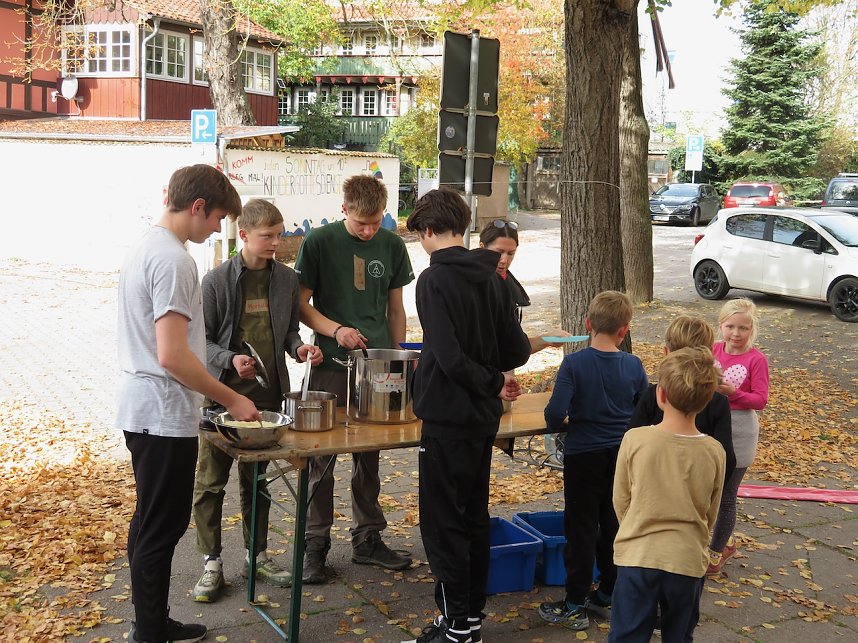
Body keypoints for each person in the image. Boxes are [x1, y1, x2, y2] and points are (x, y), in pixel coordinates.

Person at [116, 164, 259, 643]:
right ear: (197, 207)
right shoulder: (175, 260)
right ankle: (149, 631)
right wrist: (232, 398)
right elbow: (172, 354)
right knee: (161, 527)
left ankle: (150, 623)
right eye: (217, 218)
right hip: (161, 412)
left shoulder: (147, 247)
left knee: (149, 522)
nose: (218, 228)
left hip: (146, 411)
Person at [404, 189, 532, 643]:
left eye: (421, 234)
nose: (421, 242)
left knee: (444, 525)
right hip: (482, 419)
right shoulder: (494, 276)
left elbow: (449, 356)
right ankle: (468, 616)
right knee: (474, 516)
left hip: (449, 417)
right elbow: (517, 348)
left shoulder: (434, 280)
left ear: (431, 231)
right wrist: (495, 378)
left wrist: (492, 382)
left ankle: (458, 624)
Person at [191, 199, 323, 602]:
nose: (276, 243)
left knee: (259, 483)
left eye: (279, 234)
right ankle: (211, 562)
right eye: (268, 236)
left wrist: (300, 349)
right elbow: (201, 341)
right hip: (220, 402)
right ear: (244, 235)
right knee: (210, 484)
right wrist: (230, 359)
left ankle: (256, 554)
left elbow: (287, 332)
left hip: (267, 402)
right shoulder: (214, 282)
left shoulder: (286, 279)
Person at [295, 174, 415, 584]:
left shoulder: (392, 244)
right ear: (344, 210)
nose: (368, 230)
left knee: (371, 456)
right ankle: (315, 547)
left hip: (377, 367)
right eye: (361, 223)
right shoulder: (319, 242)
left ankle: (367, 540)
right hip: (330, 362)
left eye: (375, 222)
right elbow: (301, 304)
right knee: (320, 458)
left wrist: (399, 354)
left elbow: (396, 307)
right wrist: (335, 331)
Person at [539, 290, 649, 632]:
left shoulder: (574, 364)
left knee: (581, 526)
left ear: (588, 324)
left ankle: (574, 601)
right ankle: (608, 592)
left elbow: (555, 413)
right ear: (624, 330)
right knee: (614, 522)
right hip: (621, 456)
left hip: (583, 454)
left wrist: (566, 424)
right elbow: (644, 410)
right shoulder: (633, 365)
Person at [609, 347, 726, 643]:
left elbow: (620, 498)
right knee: (678, 635)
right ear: (708, 399)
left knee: (627, 635)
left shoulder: (635, 439)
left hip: (638, 555)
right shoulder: (714, 451)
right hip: (686, 558)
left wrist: (635, 525)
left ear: (660, 395)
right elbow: (711, 510)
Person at [628, 314, 736, 485]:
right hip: (695, 494)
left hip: (649, 489)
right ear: (710, 354)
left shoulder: (654, 394)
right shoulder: (717, 401)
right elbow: (726, 460)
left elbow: (630, 444)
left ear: (666, 352)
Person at [707, 298, 769, 576]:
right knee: (707, 491)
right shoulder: (712, 350)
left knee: (727, 496)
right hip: (710, 426)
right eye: (730, 326)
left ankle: (716, 551)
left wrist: (734, 394)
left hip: (740, 430)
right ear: (721, 325)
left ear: (752, 329)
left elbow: (760, 400)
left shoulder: (756, 359)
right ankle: (726, 539)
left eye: (743, 327)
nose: (736, 333)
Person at [478, 219, 567, 353]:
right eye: (498, 252)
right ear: (481, 247)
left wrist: (547, 339)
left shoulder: (508, 284)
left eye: (510, 253)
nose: (504, 260)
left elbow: (512, 346)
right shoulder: (470, 283)